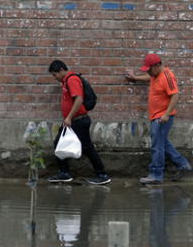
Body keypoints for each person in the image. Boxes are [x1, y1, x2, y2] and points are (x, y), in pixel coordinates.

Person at [126, 53, 192, 184]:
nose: (149, 72)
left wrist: (166, 114)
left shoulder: (167, 76)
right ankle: (183, 164)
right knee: (162, 143)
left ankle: (156, 174)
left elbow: (175, 96)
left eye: (150, 69)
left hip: (162, 117)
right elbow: (148, 77)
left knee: (157, 146)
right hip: (156, 115)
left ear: (157, 65)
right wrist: (135, 77)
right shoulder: (155, 74)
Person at [47, 60, 111, 185]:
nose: (55, 78)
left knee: (86, 148)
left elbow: (79, 99)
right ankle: (65, 173)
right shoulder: (67, 81)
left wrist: (69, 117)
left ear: (61, 70)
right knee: (65, 144)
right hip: (74, 120)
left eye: (55, 75)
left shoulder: (72, 79)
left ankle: (101, 174)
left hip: (78, 120)